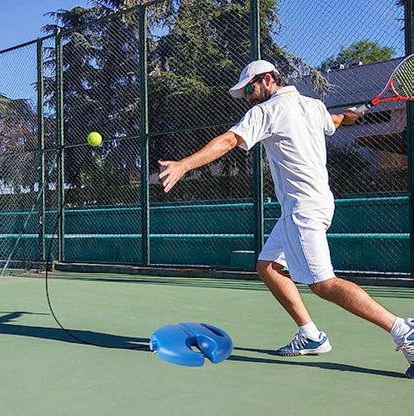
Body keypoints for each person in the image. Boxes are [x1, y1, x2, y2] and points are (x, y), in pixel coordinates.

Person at [158, 59, 414, 378]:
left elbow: (228, 140)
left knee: (324, 284)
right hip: (316, 202)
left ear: (268, 80)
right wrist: (348, 117)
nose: (248, 96)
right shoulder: (313, 106)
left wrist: (184, 164)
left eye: (250, 88)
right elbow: (334, 120)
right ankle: (310, 334)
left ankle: (403, 330)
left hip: (302, 208)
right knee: (268, 266)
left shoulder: (266, 112)